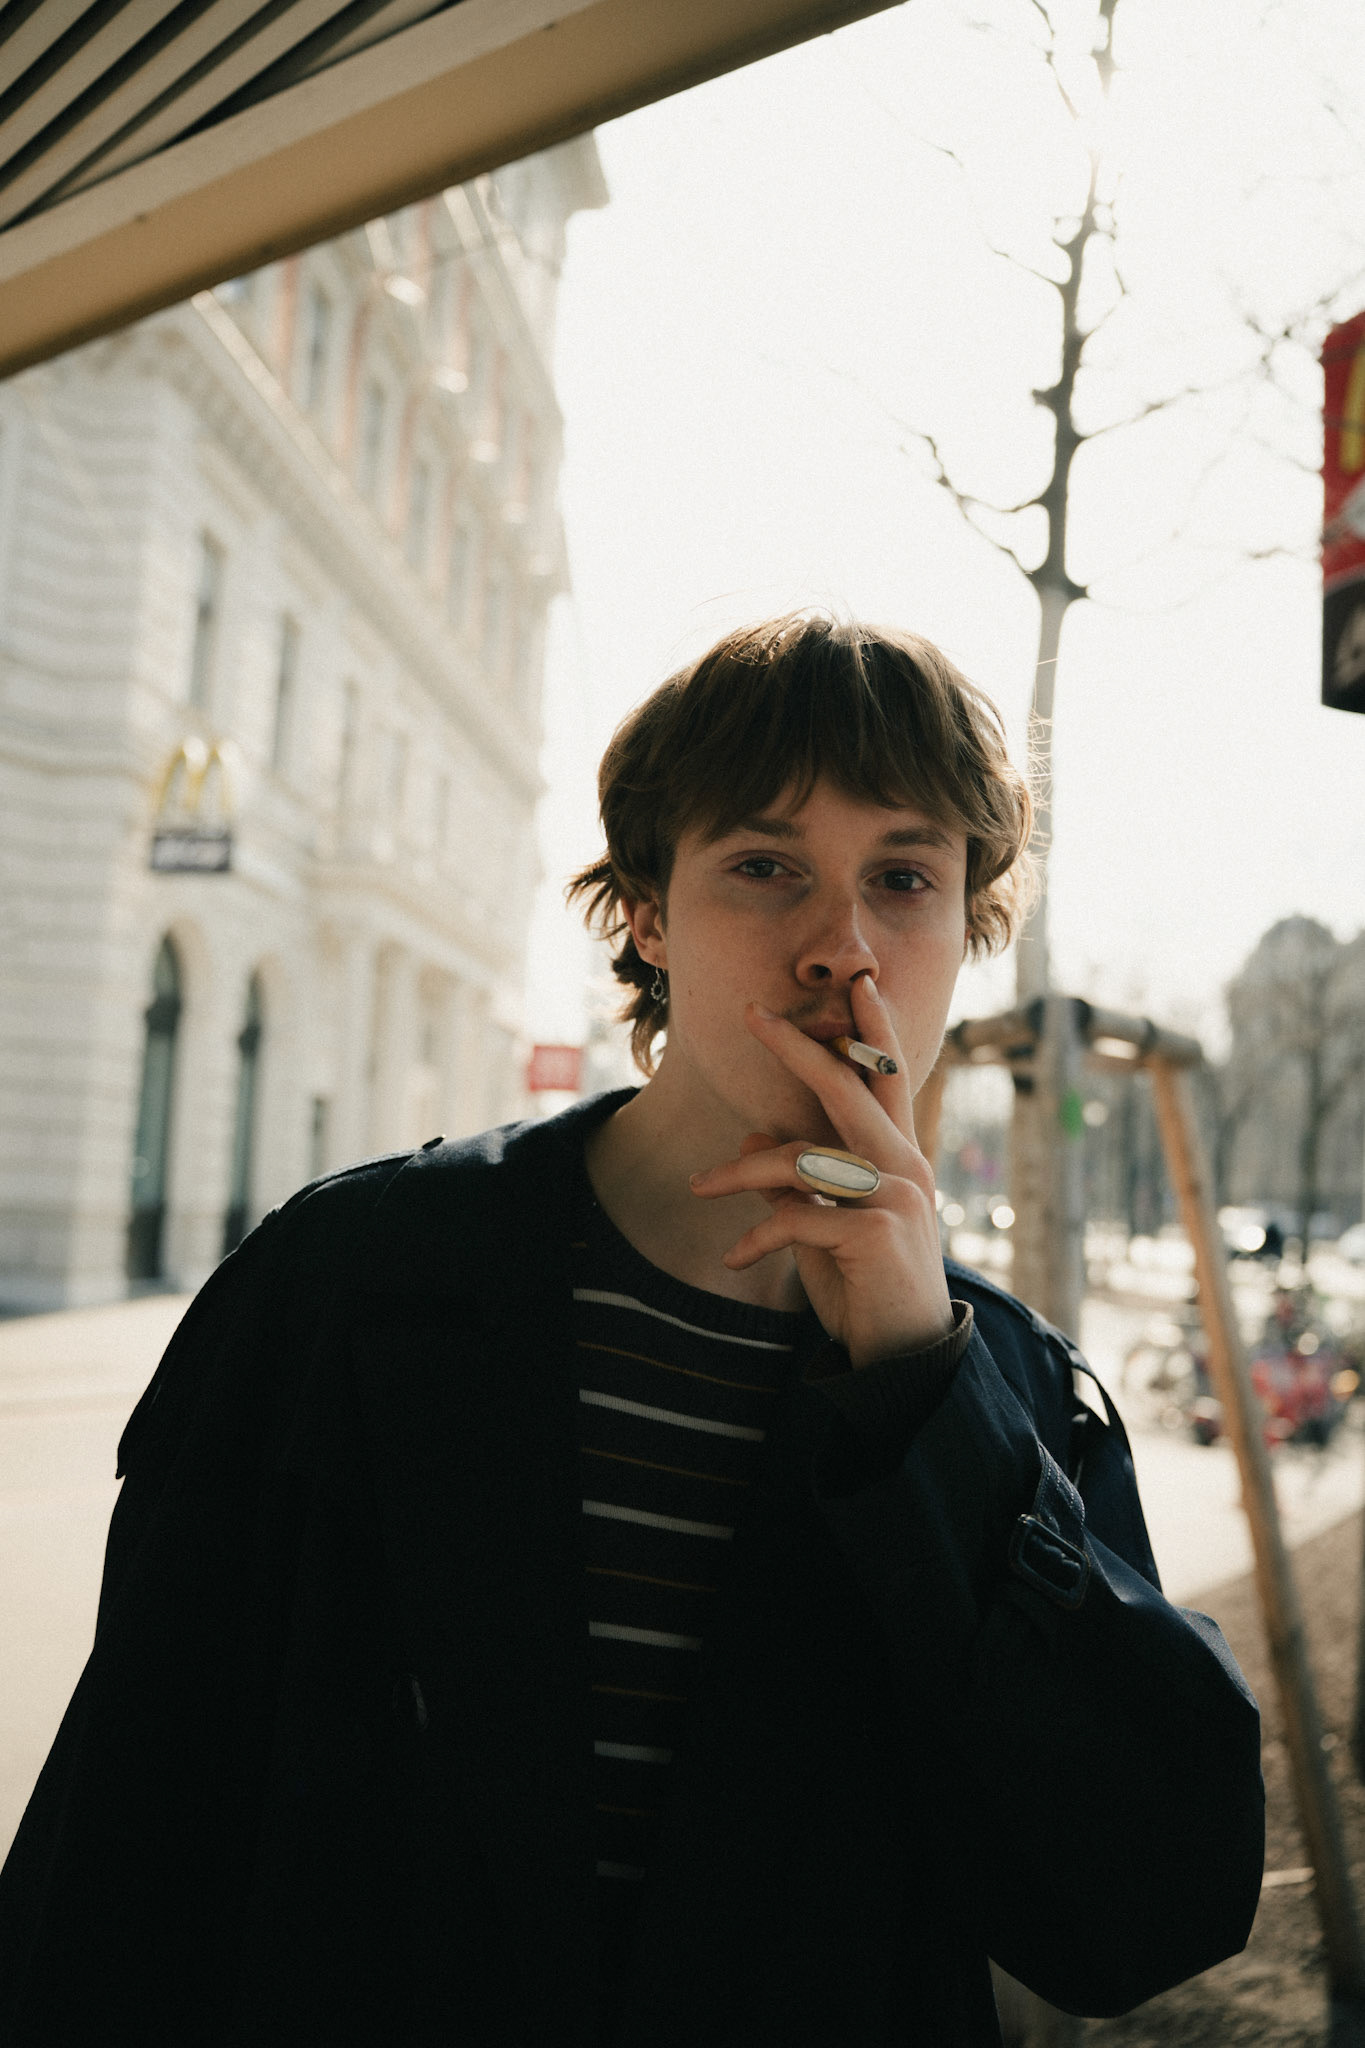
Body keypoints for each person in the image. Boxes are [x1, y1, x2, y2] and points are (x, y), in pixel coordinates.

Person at [0, 614, 1263, 2047]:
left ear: (968, 927)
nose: (840, 948)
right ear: (649, 914)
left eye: (904, 878)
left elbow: (1146, 1909)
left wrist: (925, 1391)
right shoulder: (352, 1282)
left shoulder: (1015, 1391)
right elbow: (123, 1847)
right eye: (765, 867)